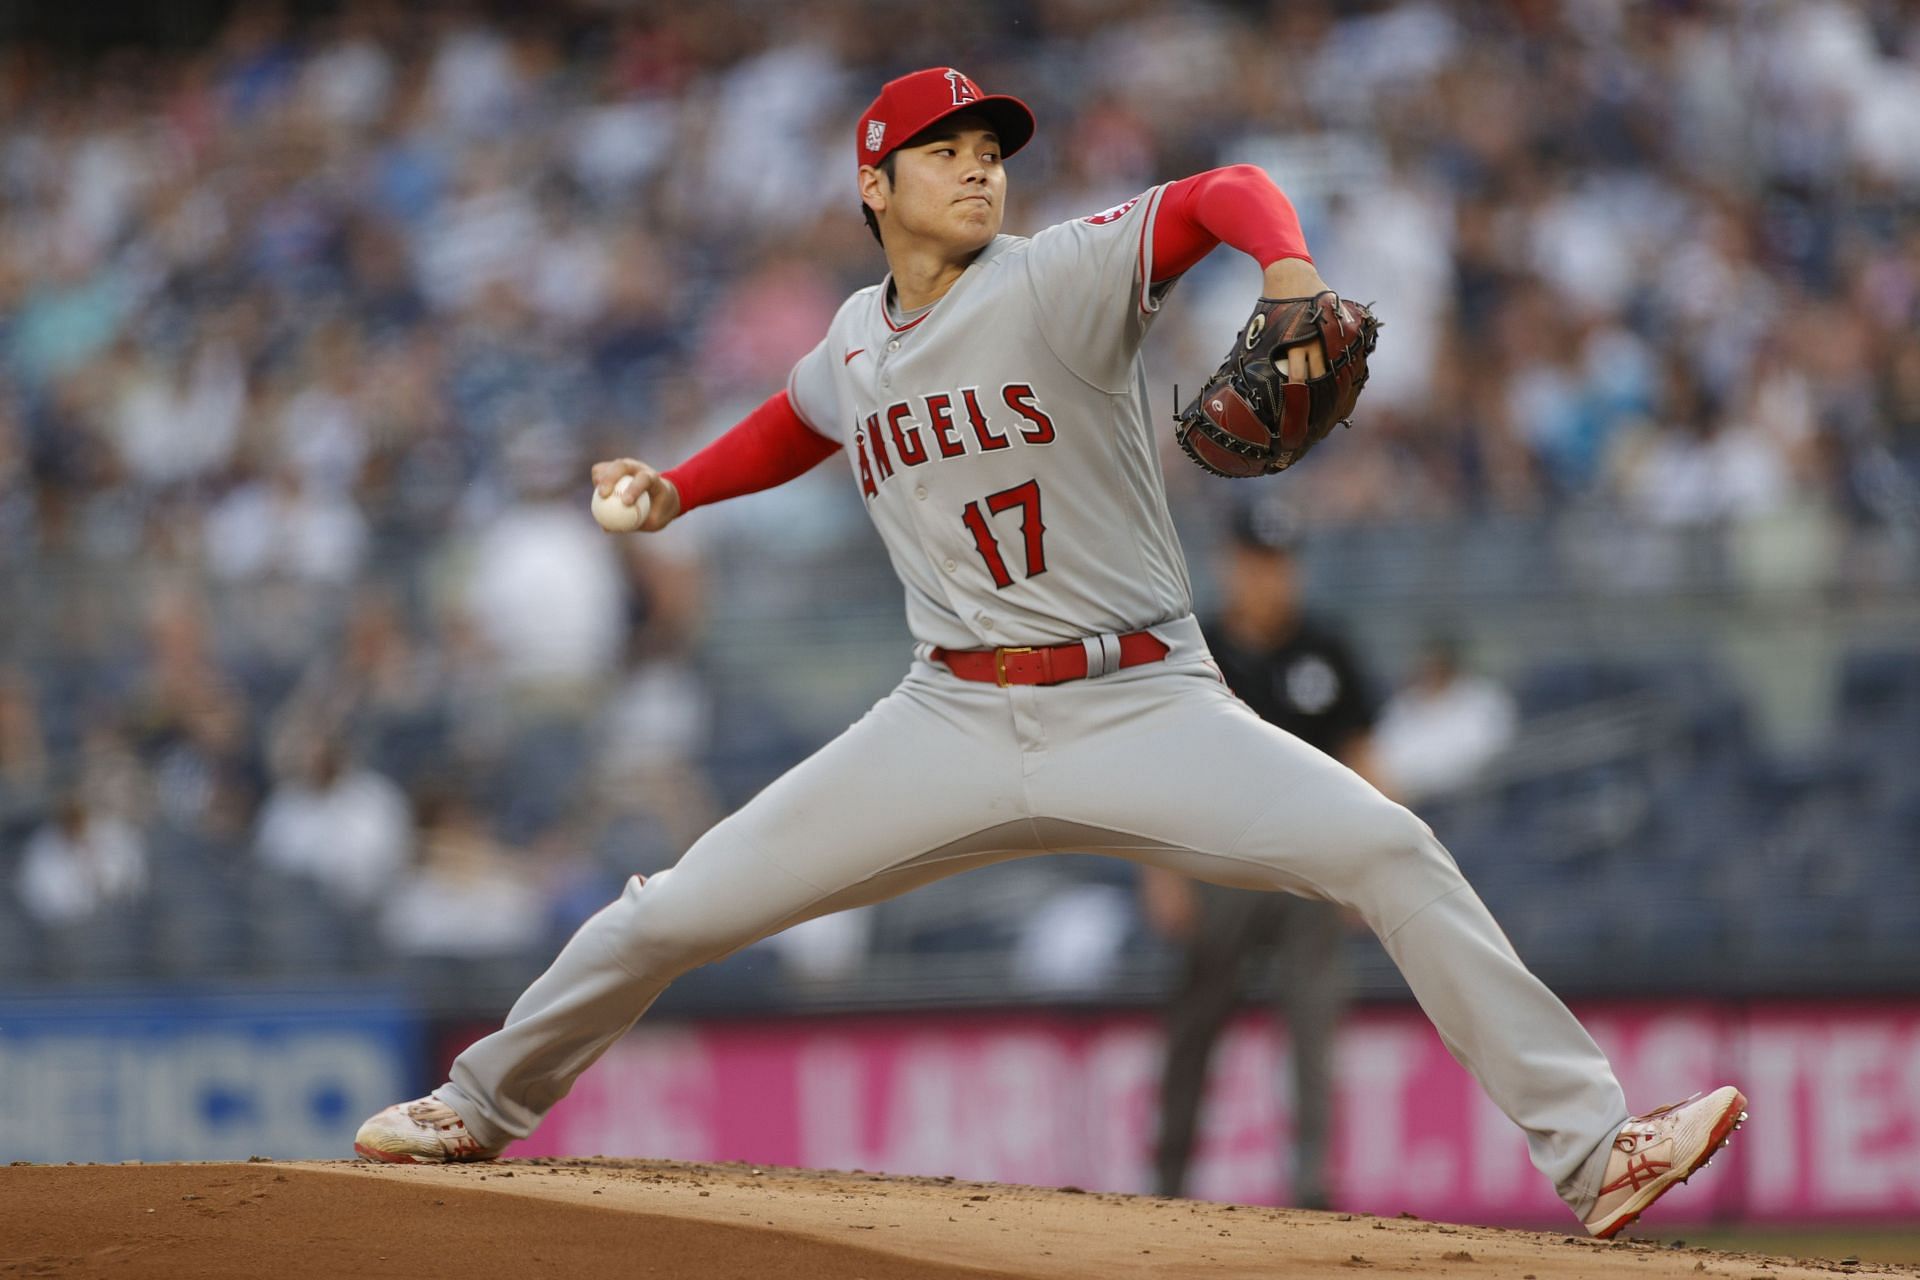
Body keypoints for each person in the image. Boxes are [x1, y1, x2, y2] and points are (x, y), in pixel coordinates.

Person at [355, 67, 1745, 1239]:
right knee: (670, 912)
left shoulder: (1064, 279)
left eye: (988, 153)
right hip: (943, 721)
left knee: (1389, 848)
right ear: (873, 186)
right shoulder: (853, 339)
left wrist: (1291, 267)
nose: (976, 172)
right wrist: (678, 488)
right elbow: (798, 419)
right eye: (941, 154)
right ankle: (477, 1104)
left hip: (1141, 698)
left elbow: (1218, 192)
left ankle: (1594, 1151)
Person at [1140, 497, 1378, 1209]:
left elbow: (1366, 758)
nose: (1272, 577)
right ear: (1230, 564)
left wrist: (1371, 866)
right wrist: (1157, 871)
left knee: (1314, 1025)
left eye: (1282, 562)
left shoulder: (1326, 647)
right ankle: (1168, 1182)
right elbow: (1156, 771)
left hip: (1308, 868)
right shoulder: (1197, 650)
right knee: (1193, 1029)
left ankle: (1311, 1186)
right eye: (1258, 562)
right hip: (1220, 864)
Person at [1372, 630, 1520, 804]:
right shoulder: (1403, 704)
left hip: (1467, 799)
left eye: (1437, 663)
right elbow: (1381, 752)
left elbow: (1482, 753)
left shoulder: (1483, 698)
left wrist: (1420, 783)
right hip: (1406, 797)